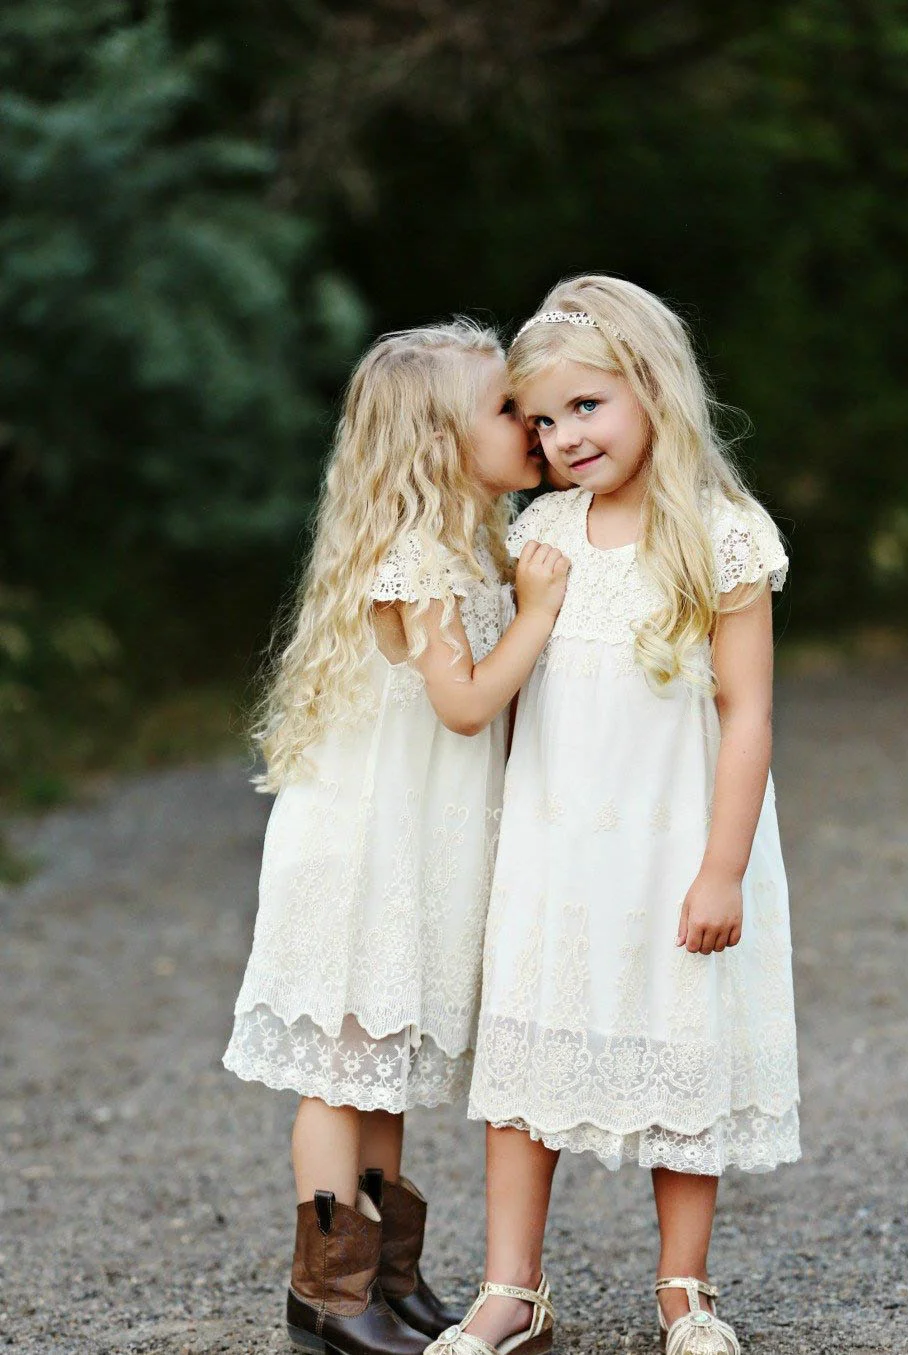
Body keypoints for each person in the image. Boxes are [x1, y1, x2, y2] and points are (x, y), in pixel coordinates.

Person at [430, 278, 799, 1355]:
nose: (561, 436)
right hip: (554, 844)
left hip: (674, 841)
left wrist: (721, 867)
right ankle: (512, 1289)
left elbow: (748, 714)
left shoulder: (722, 536)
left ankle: (683, 1289)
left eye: (585, 406)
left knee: (679, 1055)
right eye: (542, 419)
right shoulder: (542, 529)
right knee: (526, 1066)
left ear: (650, 387)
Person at [223, 321, 569, 1355]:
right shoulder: (413, 554)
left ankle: (390, 1273)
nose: (529, 422)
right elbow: (463, 704)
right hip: (362, 852)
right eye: (506, 408)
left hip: (415, 851)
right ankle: (325, 1291)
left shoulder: (469, 543)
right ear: (438, 439)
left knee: (382, 1070)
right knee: (342, 1067)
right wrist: (540, 612)